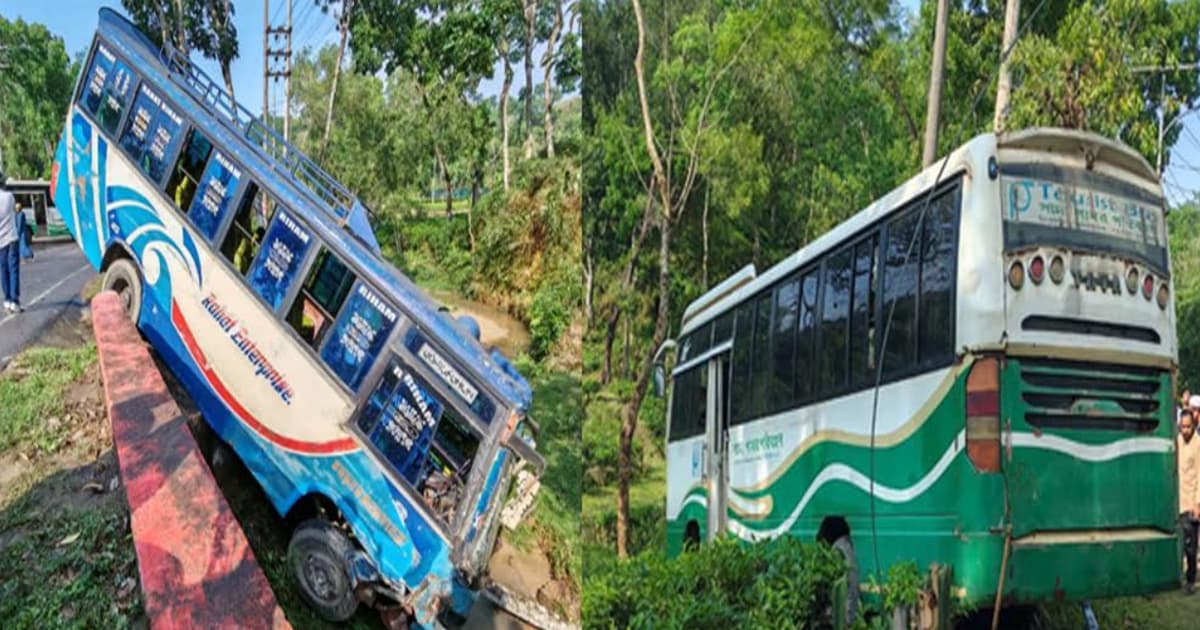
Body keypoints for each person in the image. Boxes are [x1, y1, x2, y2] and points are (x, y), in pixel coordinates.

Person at [1180, 409, 1200, 593]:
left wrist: (1197, 503)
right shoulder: (1176, 441)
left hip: (1191, 501)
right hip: (1176, 501)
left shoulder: (1198, 444)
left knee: (1191, 546)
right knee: (1178, 543)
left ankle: (1191, 580)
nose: (1185, 430)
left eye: (1188, 426)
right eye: (1182, 427)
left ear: (1193, 425)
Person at [0, 173, 22, 313]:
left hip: (0, 241)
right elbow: (14, 212)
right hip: (11, 239)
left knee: (3, 271)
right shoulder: (9, 196)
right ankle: (15, 300)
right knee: (13, 269)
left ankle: (7, 299)